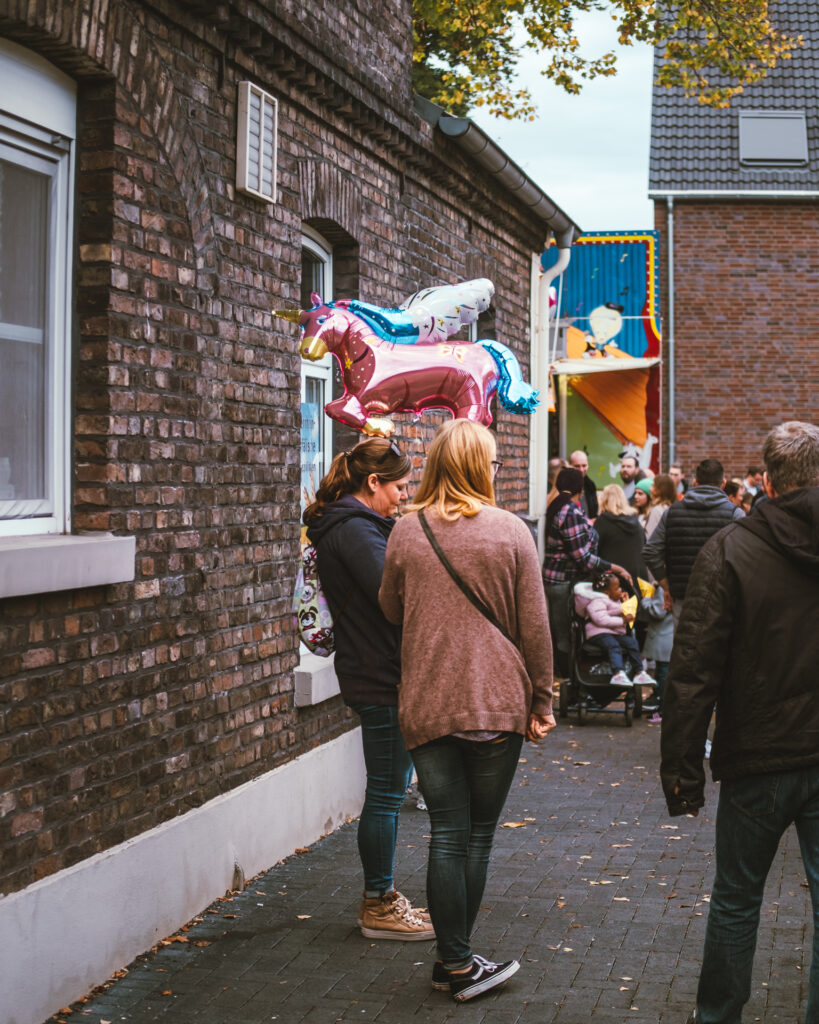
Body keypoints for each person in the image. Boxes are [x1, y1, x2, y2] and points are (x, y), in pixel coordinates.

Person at [379, 420, 556, 1002]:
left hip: (426, 701)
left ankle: (453, 959)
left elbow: (390, 608)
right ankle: (457, 964)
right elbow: (535, 625)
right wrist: (543, 699)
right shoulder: (511, 532)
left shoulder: (406, 531)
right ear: (481, 467)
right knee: (476, 836)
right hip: (497, 704)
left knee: (444, 834)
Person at [660, 421, 819, 1024]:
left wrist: (681, 772)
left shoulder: (731, 551)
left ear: (768, 478)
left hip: (757, 752)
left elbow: (693, 669)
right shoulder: (729, 548)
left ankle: (718, 1016)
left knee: (735, 899)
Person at [304, 438, 433, 941]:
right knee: (385, 794)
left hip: (378, 670)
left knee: (389, 790)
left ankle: (382, 896)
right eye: (399, 487)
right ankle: (378, 903)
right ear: (373, 483)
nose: (404, 496)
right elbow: (393, 596)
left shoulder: (360, 526)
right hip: (380, 676)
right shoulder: (356, 531)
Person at [542, 468, 632, 672]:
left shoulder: (558, 507)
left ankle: (567, 678)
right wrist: (615, 568)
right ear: (579, 489)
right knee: (566, 635)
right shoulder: (569, 511)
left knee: (563, 633)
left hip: (557, 579)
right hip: (563, 582)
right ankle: (566, 680)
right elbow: (582, 557)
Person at [643, 458, 744, 625]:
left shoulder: (672, 513)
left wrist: (665, 585)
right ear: (723, 484)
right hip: (721, 597)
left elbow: (650, 551)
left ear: (695, 482)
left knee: (684, 647)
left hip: (683, 595)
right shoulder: (735, 515)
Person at [584, 570, 653, 689]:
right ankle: (618, 673)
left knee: (632, 642)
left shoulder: (615, 600)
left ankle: (639, 672)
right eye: (617, 588)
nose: (620, 590)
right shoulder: (597, 601)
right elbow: (601, 619)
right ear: (606, 592)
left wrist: (625, 603)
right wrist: (623, 620)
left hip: (614, 633)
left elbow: (623, 614)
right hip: (598, 632)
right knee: (613, 645)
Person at [594, 483, 647, 590]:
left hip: (613, 580)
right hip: (637, 578)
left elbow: (593, 550)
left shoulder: (603, 521)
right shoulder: (635, 520)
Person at [638, 583, 673, 722]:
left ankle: (661, 705)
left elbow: (658, 611)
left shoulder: (663, 588)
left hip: (663, 634)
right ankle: (658, 700)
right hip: (669, 633)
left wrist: (646, 598)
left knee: (663, 671)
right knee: (662, 669)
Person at [644, 473, 677, 540]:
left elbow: (649, 537)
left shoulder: (657, 510)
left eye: (653, 485)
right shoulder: (672, 508)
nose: (650, 488)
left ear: (660, 490)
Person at [569, 448, 599, 520]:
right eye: (577, 466)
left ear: (588, 465)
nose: (581, 470)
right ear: (569, 465)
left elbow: (594, 511)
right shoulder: (564, 485)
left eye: (584, 465)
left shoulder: (590, 485)